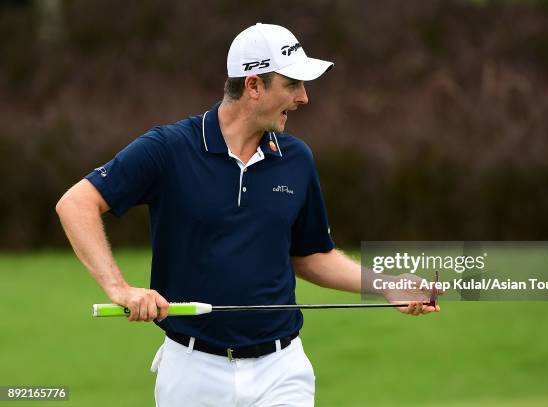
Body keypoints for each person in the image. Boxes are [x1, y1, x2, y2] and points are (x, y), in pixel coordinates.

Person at [56, 23, 440, 407]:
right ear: (254, 86)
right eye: (292, 85)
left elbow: (310, 255)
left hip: (282, 370)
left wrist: (387, 284)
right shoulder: (169, 149)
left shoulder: (296, 159)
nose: (304, 98)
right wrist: (119, 289)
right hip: (191, 372)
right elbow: (76, 203)